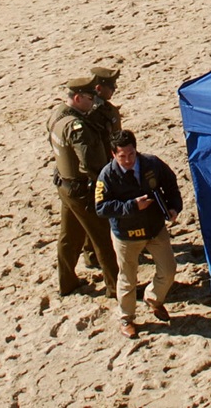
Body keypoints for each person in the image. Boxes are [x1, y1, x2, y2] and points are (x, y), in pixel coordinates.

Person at [95, 130, 183, 339]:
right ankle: (126, 318)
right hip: (126, 235)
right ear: (113, 154)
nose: (128, 160)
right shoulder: (107, 175)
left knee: (168, 270)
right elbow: (101, 207)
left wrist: (174, 207)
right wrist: (132, 206)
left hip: (154, 229)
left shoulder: (152, 164)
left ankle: (153, 298)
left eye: (131, 154)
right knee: (128, 279)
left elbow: (170, 183)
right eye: (122, 156)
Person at [48, 76, 119, 298]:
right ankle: (116, 287)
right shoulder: (78, 128)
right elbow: (89, 163)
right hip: (81, 190)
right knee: (103, 238)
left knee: (69, 237)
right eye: (89, 98)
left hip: (65, 185)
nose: (93, 102)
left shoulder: (57, 115)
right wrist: (104, 183)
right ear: (78, 98)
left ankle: (67, 282)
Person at [79, 65, 123, 269]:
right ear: (98, 88)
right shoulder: (92, 114)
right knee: (96, 216)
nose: (114, 89)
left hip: (111, 163)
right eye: (111, 86)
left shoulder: (105, 109)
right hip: (99, 169)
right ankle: (93, 254)